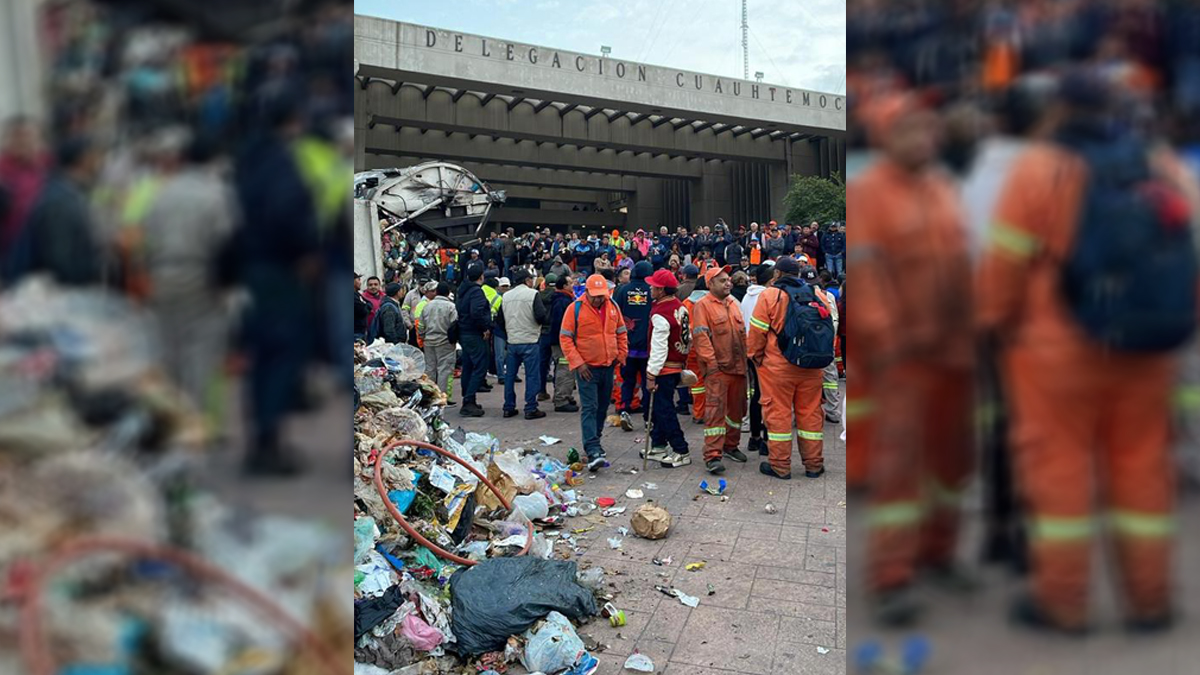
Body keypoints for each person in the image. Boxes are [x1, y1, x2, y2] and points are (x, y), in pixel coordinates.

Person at [977, 73, 1198, 634]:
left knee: (1060, 473)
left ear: (1058, 112)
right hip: (1147, 351)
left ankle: (1065, 603)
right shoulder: (1162, 166)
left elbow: (1004, 271)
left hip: (1058, 353)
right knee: (1145, 472)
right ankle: (1150, 603)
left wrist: (994, 325)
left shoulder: (1039, 169)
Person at [851, 92, 974, 626]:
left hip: (954, 353)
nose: (925, 138)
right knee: (901, 468)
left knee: (952, 464)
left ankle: (939, 552)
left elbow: (966, 264)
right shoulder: (870, 195)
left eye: (929, 128)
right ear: (885, 135)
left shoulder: (943, 188)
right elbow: (866, 276)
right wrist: (888, 342)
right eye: (911, 129)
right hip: (905, 357)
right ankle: (893, 575)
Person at [747, 256, 828, 481]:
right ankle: (814, 465)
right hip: (812, 367)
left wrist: (756, 358)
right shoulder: (818, 294)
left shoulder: (770, 295)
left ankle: (780, 466)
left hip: (778, 368)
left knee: (778, 415)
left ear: (777, 275)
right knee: (810, 415)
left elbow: (757, 333)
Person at [3, 135, 105, 286]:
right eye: (97, 156)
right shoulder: (60, 201)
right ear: (85, 159)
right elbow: (60, 264)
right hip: (49, 295)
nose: (101, 162)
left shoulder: (68, 192)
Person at [559, 274, 628, 472]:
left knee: (602, 406)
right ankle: (593, 449)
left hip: (608, 366)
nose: (599, 299)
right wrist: (579, 364)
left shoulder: (613, 306)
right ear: (587, 292)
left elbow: (621, 332)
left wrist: (621, 355)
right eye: (595, 295)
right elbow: (565, 339)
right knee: (590, 407)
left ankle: (595, 441)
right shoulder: (575, 309)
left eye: (602, 295)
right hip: (586, 368)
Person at [690, 264, 749, 474]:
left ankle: (731, 446)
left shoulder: (734, 303)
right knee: (715, 413)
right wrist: (712, 365)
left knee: (736, 411)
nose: (728, 283)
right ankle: (713, 455)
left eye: (728, 280)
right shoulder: (703, 305)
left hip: (738, 369)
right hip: (719, 370)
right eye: (723, 280)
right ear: (711, 284)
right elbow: (701, 337)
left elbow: (743, 335)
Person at [500, 267, 548, 419]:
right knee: (532, 375)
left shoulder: (506, 296)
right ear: (527, 281)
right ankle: (530, 407)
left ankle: (508, 407)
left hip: (513, 340)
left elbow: (500, 320)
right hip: (530, 340)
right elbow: (541, 315)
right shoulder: (533, 294)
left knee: (510, 376)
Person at [0, 116, 49, 259]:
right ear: (8, 140)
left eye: (29, 136)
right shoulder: (2, 169)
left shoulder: (48, 163)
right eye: (18, 137)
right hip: (12, 248)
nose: (24, 142)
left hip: (45, 242)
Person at [615, 260, 654, 431]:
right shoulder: (652, 291)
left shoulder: (622, 290)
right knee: (647, 382)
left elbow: (614, 314)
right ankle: (648, 418)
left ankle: (624, 410)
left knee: (627, 381)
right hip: (646, 345)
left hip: (627, 345)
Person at [742, 263, 775, 456]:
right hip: (765, 353)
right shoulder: (767, 297)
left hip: (749, 350)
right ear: (771, 279)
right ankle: (766, 439)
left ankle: (754, 436)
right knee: (767, 396)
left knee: (756, 394)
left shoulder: (748, 296)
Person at [802, 267, 842, 425]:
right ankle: (832, 411)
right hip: (825, 344)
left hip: (807, 345)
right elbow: (834, 319)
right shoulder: (827, 295)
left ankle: (807, 412)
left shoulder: (797, 294)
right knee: (830, 377)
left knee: (807, 379)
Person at [456, 263, 493, 417]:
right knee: (480, 366)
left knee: (469, 366)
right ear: (481, 277)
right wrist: (485, 328)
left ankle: (468, 398)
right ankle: (469, 400)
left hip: (464, 332)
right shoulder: (476, 292)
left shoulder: (463, 291)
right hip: (474, 333)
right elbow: (477, 312)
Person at [546, 274, 580, 412]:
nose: (573, 285)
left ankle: (563, 394)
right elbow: (562, 324)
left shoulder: (562, 299)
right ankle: (561, 399)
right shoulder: (563, 301)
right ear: (564, 286)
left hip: (559, 341)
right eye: (570, 283)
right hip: (562, 342)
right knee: (565, 369)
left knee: (563, 368)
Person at [354, 273, 371, 340]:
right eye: (358, 280)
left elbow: (369, 303)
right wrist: (366, 306)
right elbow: (363, 310)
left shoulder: (357, 294)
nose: (360, 283)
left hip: (360, 331)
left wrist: (366, 305)